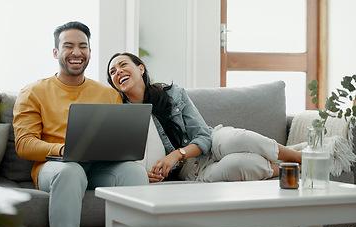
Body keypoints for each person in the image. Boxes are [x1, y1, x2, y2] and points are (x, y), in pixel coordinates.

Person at [13, 23, 148, 227]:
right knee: (71, 171)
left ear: (90, 52)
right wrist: (64, 150)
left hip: (98, 168)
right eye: (69, 46)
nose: (77, 52)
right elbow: (24, 144)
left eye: (83, 46)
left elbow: (118, 138)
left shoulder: (109, 94)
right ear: (56, 52)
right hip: (56, 168)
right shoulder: (32, 92)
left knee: (135, 171)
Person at [106, 52, 302, 183]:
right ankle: (297, 169)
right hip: (189, 171)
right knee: (239, 165)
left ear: (140, 68)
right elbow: (123, 160)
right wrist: (141, 175)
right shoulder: (119, 114)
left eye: (123, 65)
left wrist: (176, 154)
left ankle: (302, 158)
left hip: (211, 140)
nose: (118, 72)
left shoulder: (173, 94)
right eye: (112, 72)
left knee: (240, 140)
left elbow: (203, 136)